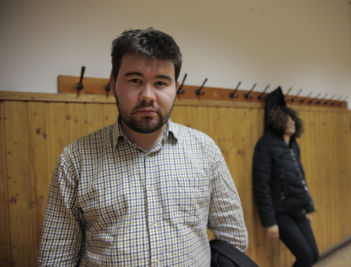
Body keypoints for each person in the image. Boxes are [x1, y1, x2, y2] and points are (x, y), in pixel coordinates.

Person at [38, 28, 248, 266]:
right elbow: (56, 256)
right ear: (113, 83)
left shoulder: (205, 150)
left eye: (161, 82)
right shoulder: (75, 159)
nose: (148, 95)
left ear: (175, 88)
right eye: (135, 80)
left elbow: (233, 238)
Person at [252, 88, 319, 267]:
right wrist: (270, 222)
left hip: (299, 209)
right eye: (287, 120)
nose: (292, 123)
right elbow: (261, 185)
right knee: (305, 257)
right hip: (280, 214)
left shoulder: (293, 146)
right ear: (278, 121)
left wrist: (307, 208)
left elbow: (300, 179)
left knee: (314, 255)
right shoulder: (265, 144)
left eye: (293, 120)